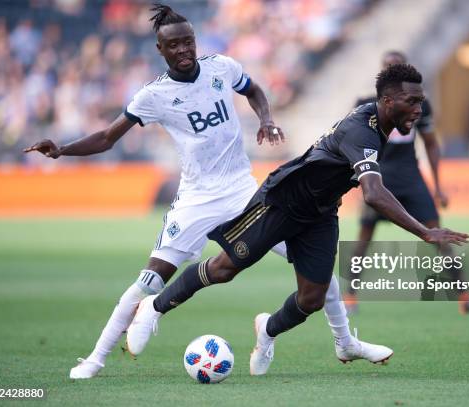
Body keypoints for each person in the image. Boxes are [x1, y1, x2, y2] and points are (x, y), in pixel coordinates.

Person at [24, 4, 389, 380]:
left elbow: (255, 90)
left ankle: (345, 341)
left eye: (188, 42)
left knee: (315, 264)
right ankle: (95, 359)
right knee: (147, 281)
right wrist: (63, 149)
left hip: (245, 192)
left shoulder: (221, 67)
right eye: (173, 45)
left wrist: (266, 119)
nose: (183, 50)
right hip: (197, 199)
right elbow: (106, 137)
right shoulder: (153, 96)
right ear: (160, 50)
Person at [126, 64, 469, 376]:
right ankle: (154, 308)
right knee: (223, 270)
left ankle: (268, 330)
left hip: (319, 214)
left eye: (420, 101)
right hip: (282, 201)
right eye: (411, 101)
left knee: (312, 298)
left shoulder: (379, 125)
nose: (418, 108)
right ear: (387, 100)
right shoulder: (362, 130)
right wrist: (425, 232)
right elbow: (373, 193)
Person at [346, 51, 469, 314]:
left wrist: (439, 186)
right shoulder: (365, 103)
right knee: (364, 238)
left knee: (438, 235)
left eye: (398, 67)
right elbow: (354, 143)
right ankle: (350, 297)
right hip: (378, 176)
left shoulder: (421, 104)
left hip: (410, 175)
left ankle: (465, 298)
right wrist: (353, 180)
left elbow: (431, 144)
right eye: (389, 68)